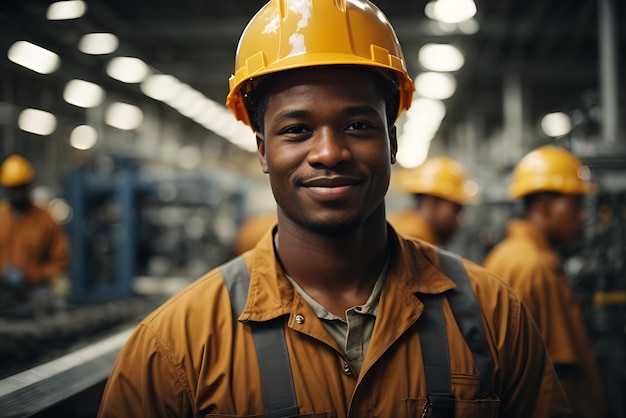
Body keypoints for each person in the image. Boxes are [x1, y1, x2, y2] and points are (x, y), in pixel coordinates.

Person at [98, 1, 573, 417]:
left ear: (393, 141)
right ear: (263, 151)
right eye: (297, 130)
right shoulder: (176, 348)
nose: (329, 152)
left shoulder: (492, 316)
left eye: (358, 125)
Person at [483, 145, 606, 418]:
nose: (582, 215)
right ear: (544, 206)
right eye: (575, 204)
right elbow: (562, 374)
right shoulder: (538, 268)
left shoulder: (503, 255)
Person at [0, 154, 70, 312]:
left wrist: (34, 276)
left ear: (28, 186)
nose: (16, 193)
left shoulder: (46, 220)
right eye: (12, 189)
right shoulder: (1, 218)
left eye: (21, 187)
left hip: (36, 292)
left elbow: (61, 261)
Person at [388, 157, 476, 247]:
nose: (458, 219)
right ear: (434, 203)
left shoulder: (402, 223)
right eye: (457, 209)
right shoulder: (418, 241)